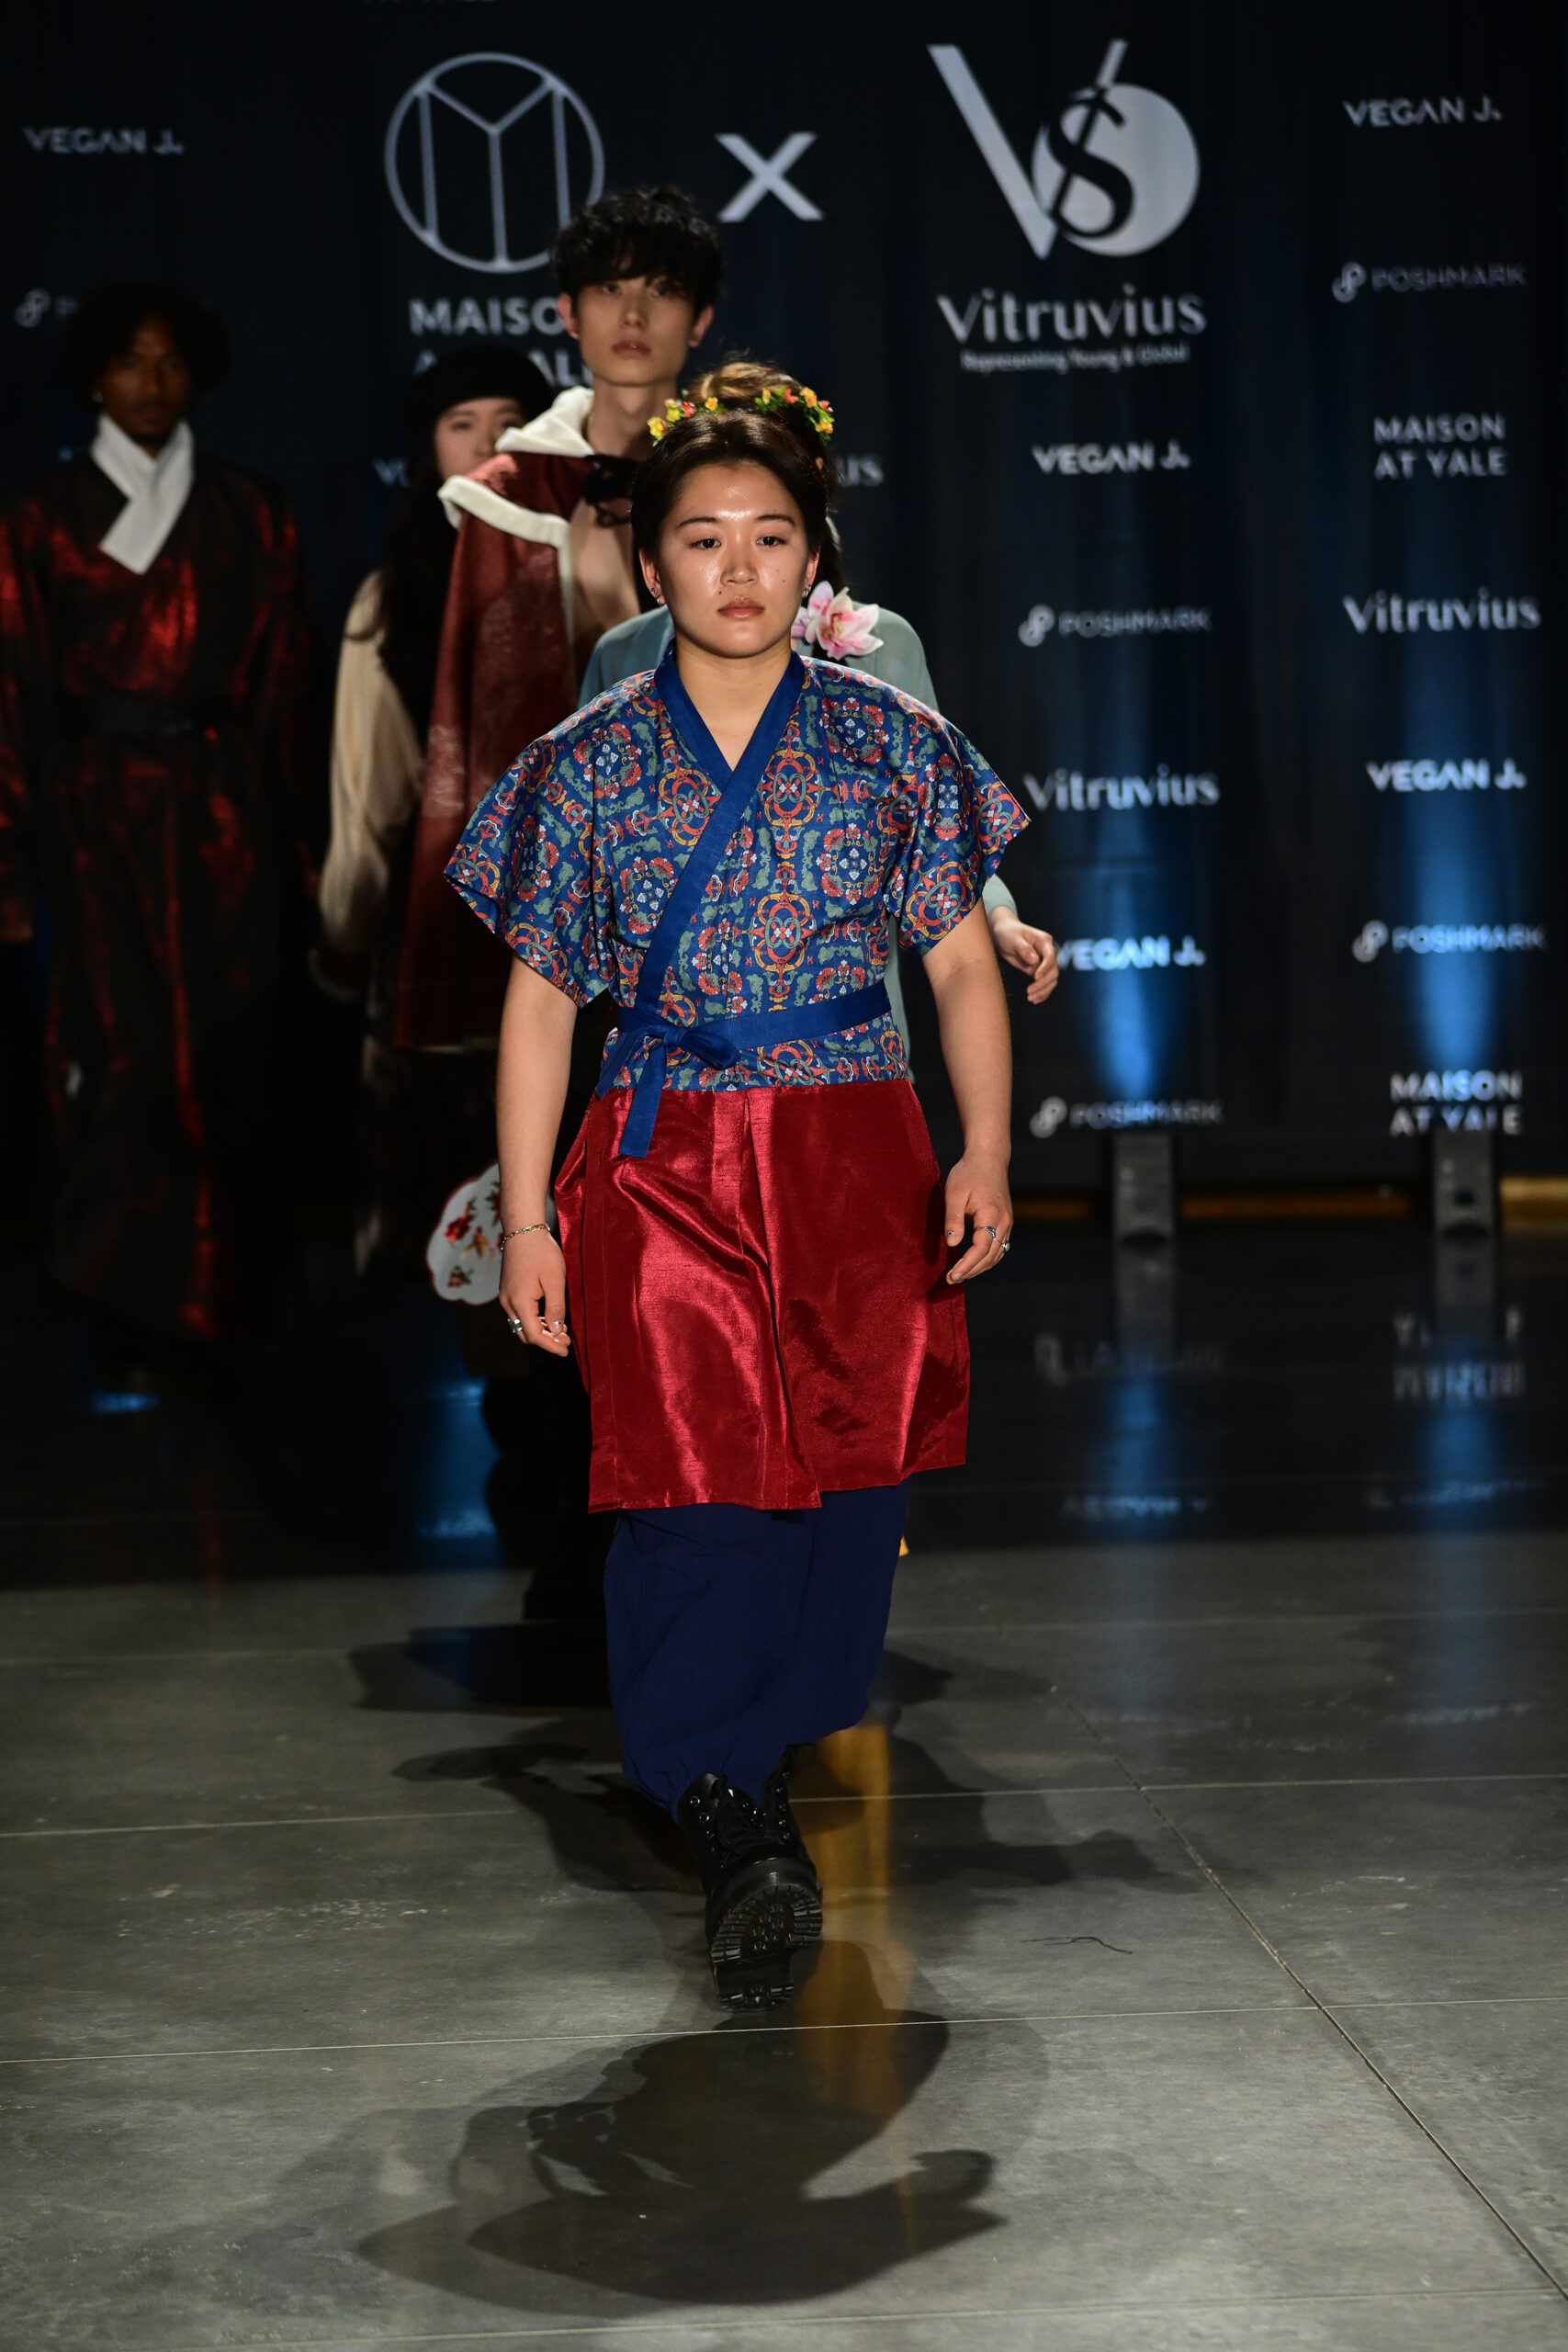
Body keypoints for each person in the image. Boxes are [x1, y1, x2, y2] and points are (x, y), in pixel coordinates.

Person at [447, 408, 1027, 2006]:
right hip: (664, 1155)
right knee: (689, 1481)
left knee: (844, 1482)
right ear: (649, 567)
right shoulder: (584, 762)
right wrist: (530, 1219)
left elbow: (957, 961)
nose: (738, 568)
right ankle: (724, 1801)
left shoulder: (894, 740)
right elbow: (540, 1007)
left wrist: (982, 1148)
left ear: (814, 558)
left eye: (770, 538)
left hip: (855, 1150)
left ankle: (755, 1754)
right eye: (701, 540)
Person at [0, 283, 312, 1379]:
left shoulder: (252, 508)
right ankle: (115, 1289)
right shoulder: (37, 517)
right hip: (95, 814)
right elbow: (12, 689)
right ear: (95, 375)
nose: (151, 380)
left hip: (224, 809)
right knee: (113, 1046)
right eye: (130, 359)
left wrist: (302, 846)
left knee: (229, 1047)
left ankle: (229, 1286)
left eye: (171, 360)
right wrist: (12, 853)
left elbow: (285, 688)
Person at [581, 358, 1059, 1025]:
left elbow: (938, 832)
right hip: (674, 1027)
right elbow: (580, 870)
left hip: (845, 1026)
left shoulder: (879, 647)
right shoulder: (623, 655)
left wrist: (997, 917)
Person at [398, 186, 721, 1055]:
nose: (633, 314)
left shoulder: (747, 476)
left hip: (721, 863)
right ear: (568, 314)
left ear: (699, 320)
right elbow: (471, 723)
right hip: (563, 867)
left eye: (661, 289)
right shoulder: (502, 495)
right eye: (610, 289)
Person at [314, 345, 553, 1275]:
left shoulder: (589, 568)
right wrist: (348, 926)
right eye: (463, 426)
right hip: (437, 927)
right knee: (445, 1205)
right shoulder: (392, 598)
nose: (490, 444)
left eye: (510, 423)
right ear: (429, 451)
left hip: (573, 935)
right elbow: (367, 794)